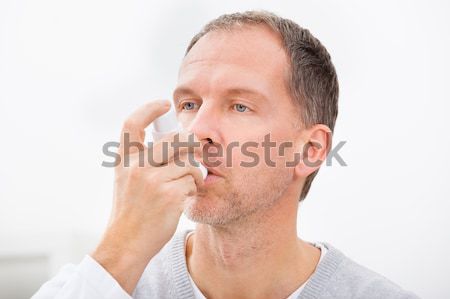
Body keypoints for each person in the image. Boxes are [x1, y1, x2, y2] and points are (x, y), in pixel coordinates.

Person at [32, 10, 420, 299]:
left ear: (311, 150)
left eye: (239, 106)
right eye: (188, 104)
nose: (197, 130)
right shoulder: (106, 281)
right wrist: (121, 248)